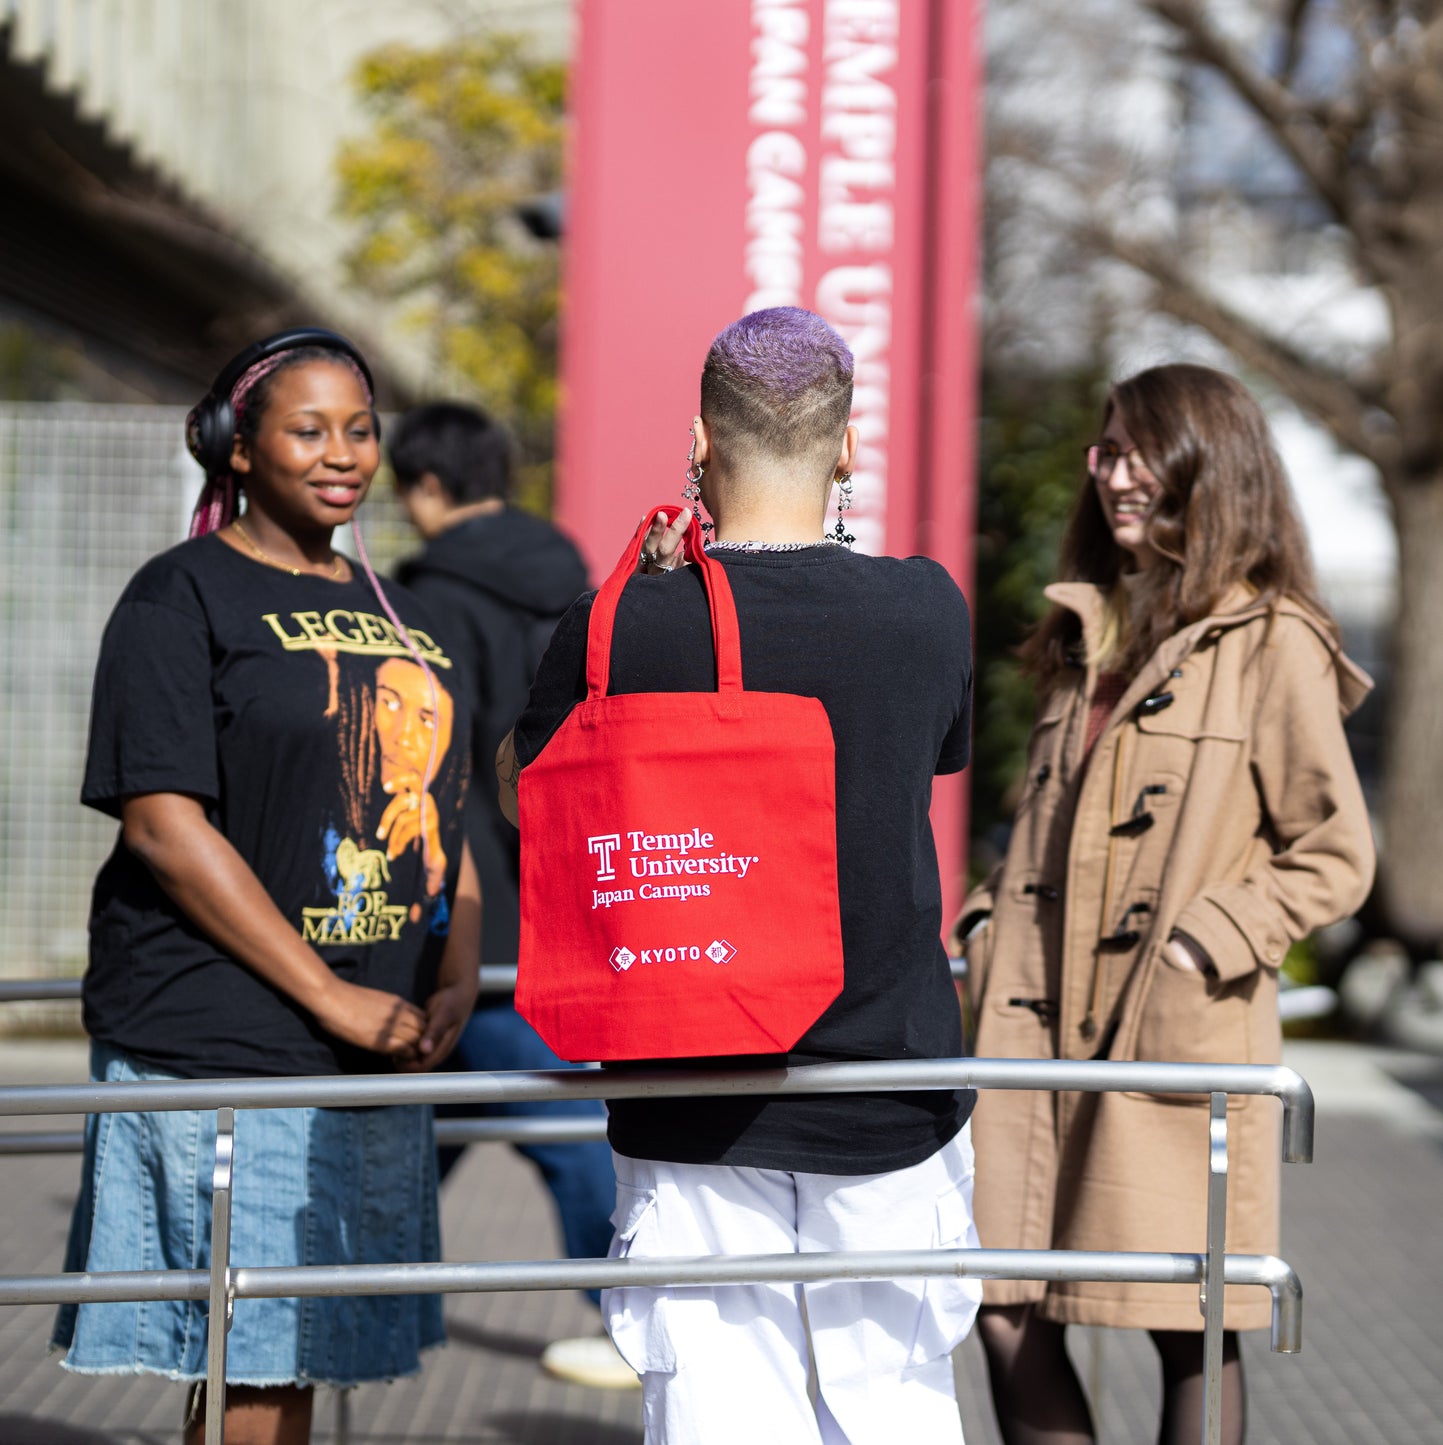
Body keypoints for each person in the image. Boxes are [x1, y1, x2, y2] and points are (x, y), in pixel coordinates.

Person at [497, 307, 981, 1445]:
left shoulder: (615, 624)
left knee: (716, 1412)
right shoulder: (923, 610)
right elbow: (935, 752)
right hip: (888, 1081)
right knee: (896, 1405)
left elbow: (536, 789)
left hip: (689, 1081)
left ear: (697, 445)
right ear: (847, 445)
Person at [52, 330, 481, 1445]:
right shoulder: (178, 594)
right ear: (236, 448)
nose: (341, 454)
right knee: (263, 1362)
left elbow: (447, 810)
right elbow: (162, 821)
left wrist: (456, 969)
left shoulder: (405, 617)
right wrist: (328, 993)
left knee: (284, 1365)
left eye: (359, 428)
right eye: (307, 429)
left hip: (369, 1045)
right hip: (232, 1037)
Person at [952, 363, 1375, 1445]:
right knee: (998, 1300)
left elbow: (1332, 852)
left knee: (1185, 1316)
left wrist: (1203, 938)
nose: (1113, 474)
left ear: (1211, 461)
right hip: (1028, 1035)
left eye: (1138, 450)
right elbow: (1040, 833)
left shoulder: (1271, 640)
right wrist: (983, 920)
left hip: (1167, 1039)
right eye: (1103, 451)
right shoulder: (1078, 639)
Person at [389, 403, 630, 1389]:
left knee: (549, 1116)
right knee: (431, 1117)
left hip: (465, 907)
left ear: (425, 488)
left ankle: (628, 1308)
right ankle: (375, 1295)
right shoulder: (574, 584)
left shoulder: (417, 601)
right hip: (564, 898)